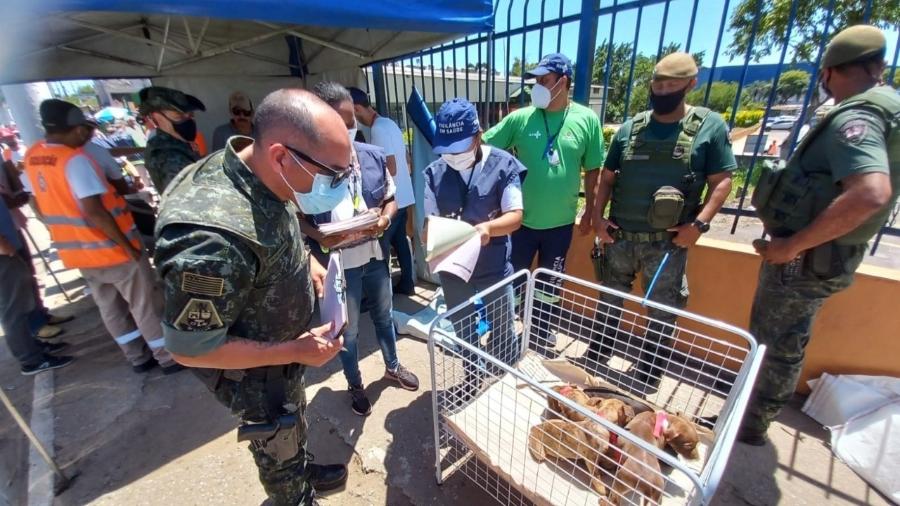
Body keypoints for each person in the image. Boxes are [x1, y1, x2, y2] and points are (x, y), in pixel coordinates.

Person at [154, 89, 351, 504]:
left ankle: (298, 468)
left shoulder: (259, 170)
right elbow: (192, 348)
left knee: (291, 429)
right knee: (276, 439)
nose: (338, 185)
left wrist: (308, 261)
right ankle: (293, 495)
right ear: (281, 156)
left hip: (286, 359)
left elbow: (274, 220)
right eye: (332, 174)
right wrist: (292, 349)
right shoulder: (210, 239)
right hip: (260, 376)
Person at [739, 25, 899, 446]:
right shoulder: (888, 107)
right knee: (782, 339)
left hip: (805, 260)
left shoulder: (859, 116)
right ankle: (753, 412)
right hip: (821, 256)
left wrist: (793, 245)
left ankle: (750, 423)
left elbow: (871, 191)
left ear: (828, 72)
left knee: (774, 343)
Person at [587, 52, 736, 392]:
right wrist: (597, 219)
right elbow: (607, 178)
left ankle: (648, 372)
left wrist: (698, 226)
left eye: (672, 84)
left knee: (661, 310)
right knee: (609, 299)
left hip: (667, 244)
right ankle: (598, 355)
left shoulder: (708, 126)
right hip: (619, 238)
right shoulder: (631, 127)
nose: (663, 90)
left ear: (690, 84)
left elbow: (722, 181)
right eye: (658, 83)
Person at [24, 99, 181, 374]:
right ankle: (166, 357)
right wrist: (127, 247)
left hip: (78, 253)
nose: (86, 135)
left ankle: (137, 357)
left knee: (110, 308)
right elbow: (95, 211)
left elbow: (37, 203)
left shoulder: (34, 156)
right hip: (111, 249)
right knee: (144, 303)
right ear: (72, 128)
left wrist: (56, 228)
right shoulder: (74, 161)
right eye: (83, 129)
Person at [303, 82, 419, 416]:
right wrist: (319, 237)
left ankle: (392, 366)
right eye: (340, 120)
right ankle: (354, 384)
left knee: (384, 316)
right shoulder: (309, 169)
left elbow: (391, 198)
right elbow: (296, 219)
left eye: (352, 118)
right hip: (340, 266)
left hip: (374, 256)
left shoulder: (371, 156)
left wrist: (384, 219)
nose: (349, 126)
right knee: (348, 332)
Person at [483, 53, 605, 351]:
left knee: (550, 284)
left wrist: (591, 211)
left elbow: (593, 170)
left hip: (560, 224)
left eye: (544, 80)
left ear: (563, 82)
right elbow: (485, 147)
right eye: (536, 81)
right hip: (521, 222)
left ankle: (540, 329)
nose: (537, 86)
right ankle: (505, 330)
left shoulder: (586, 120)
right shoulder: (521, 118)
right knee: (513, 278)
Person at [424, 98, 526, 395]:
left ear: (478, 134)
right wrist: (430, 232)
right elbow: (426, 225)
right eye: (447, 149)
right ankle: (473, 378)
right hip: (453, 268)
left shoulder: (503, 165)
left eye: (460, 147)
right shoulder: (434, 173)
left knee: (503, 327)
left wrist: (489, 228)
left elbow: (516, 216)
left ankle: (506, 383)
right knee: (464, 329)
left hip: (493, 265)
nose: (453, 155)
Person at [348, 87, 416, 295]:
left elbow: (390, 167)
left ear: (357, 108)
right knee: (401, 243)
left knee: (382, 249)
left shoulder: (378, 129)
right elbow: (407, 161)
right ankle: (407, 283)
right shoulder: (391, 123)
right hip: (405, 195)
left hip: (393, 200)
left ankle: (380, 294)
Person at [0, 203, 73, 375]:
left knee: (21, 303)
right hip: (3, 255)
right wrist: (3, 246)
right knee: (13, 309)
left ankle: (30, 347)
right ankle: (30, 359)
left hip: (8, 247)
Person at [140, 86, 205, 192]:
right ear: (156, 116)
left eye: (191, 115)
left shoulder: (178, 143)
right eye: (178, 116)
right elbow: (190, 197)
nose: (187, 121)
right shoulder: (165, 154)